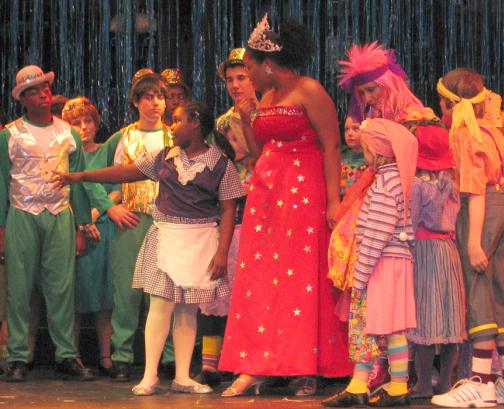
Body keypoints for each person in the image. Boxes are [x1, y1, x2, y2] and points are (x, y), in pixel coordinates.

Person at [54, 101, 245, 395]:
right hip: (167, 235)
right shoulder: (165, 158)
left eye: (179, 120)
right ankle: (150, 374)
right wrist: (81, 176)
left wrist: (222, 252)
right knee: (160, 305)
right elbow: (124, 173)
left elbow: (229, 209)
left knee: (187, 310)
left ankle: (182, 375)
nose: (174, 126)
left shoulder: (221, 164)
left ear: (195, 123)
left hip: (200, 239)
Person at [218, 14, 352, 397]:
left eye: (249, 68)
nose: (246, 75)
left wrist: (333, 200)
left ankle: (304, 367)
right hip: (268, 193)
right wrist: (247, 119)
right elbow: (260, 153)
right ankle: (257, 363)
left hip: (304, 192)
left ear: (269, 65)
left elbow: (331, 146)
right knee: (261, 277)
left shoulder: (309, 89)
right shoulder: (268, 98)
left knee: (300, 278)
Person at [338, 40, 450, 391]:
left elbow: (429, 169)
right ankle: (388, 379)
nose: (368, 97)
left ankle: (389, 377)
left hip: (400, 235)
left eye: (372, 88)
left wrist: (363, 266)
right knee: (392, 320)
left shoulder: (415, 119)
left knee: (381, 318)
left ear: (388, 83)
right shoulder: (375, 123)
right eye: (363, 91)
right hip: (394, 232)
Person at [0, 65, 95, 382]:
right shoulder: (10, 135)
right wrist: (1, 228)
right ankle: (16, 357)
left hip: (58, 215)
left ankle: (66, 355)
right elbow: (1, 183)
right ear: (23, 100)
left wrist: (82, 225)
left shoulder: (68, 133)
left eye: (45, 88)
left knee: (61, 289)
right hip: (22, 215)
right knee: (19, 288)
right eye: (35, 91)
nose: (43, 93)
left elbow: (79, 183)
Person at [322, 118, 418, 407]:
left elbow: (376, 234)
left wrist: (360, 276)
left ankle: (395, 387)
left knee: (381, 325)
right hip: (393, 263)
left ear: (375, 151)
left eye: (365, 148)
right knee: (384, 326)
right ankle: (363, 385)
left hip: (381, 265)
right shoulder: (396, 179)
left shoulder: (386, 184)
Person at [85, 70, 173, 382]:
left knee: (163, 292)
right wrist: (113, 207)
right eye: (148, 97)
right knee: (128, 291)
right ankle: (122, 355)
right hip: (132, 222)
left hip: (167, 225)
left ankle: (168, 357)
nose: (155, 103)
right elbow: (94, 177)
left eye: (160, 96)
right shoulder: (122, 138)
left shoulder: (175, 137)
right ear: (136, 102)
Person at [431, 69, 504, 407]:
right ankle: (498, 380)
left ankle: (482, 382)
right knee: (497, 290)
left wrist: (473, 242)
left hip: (483, 211)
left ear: (450, 105)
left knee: (478, 291)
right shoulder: (493, 128)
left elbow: (475, 192)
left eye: (442, 103)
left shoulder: (466, 134)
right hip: (499, 205)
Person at [195, 47, 257, 387]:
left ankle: (249, 360)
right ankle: (212, 363)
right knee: (219, 289)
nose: (235, 85)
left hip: (265, 207)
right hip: (232, 215)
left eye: (241, 77)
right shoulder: (221, 124)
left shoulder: (269, 112)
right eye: (230, 79)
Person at [407, 125, 466, 398]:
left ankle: (421, 383)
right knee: (449, 314)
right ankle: (444, 381)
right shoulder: (452, 181)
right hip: (448, 249)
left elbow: (411, 220)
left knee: (426, 314)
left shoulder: (418, 185)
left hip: (424, 250)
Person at [62, 97, 118, 375]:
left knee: (103, 295)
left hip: (102, 229)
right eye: (76, 122)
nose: (83, 127)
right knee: (71, 295)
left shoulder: (105, 151)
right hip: (71, 228)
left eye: (88, 121)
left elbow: (117, 188)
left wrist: (93, 216)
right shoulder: (64, 154)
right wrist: (80, 223)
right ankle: (72, 355)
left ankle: (106, 356)